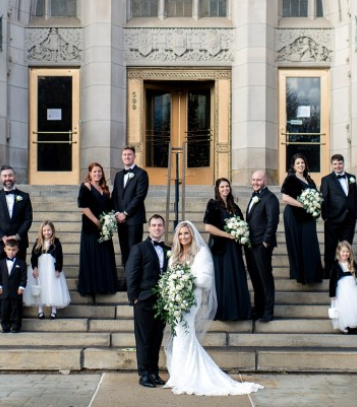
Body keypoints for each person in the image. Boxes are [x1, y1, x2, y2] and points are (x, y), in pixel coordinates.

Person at [162, 220, 262, 396]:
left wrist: (185, 279)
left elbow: (206, 280)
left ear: (191, 235)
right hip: (177, 299)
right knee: (179, 335)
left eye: (186, 233)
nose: (183, 236)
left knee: (185, 333)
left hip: (191, 300)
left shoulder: (201, 253)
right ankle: (178, 375)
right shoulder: (175, 255)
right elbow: (169, 276)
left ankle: (187, 376)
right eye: (180, 234)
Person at [125, 214, 167, 389]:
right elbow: (131, 273)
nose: (157, 228)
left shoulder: (167, 249)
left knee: (156, 338)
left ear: (164, 228)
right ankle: (143, 374)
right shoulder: (139, 248)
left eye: (160, 225)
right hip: (143, 300)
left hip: (162, 301)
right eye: (154, 225)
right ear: (149, 228)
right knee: (144, 339)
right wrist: (134, 298)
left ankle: (154, 372)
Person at [202, 178, 252, 321]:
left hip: (234, 248)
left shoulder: (234, 206)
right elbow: (208, 227)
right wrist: (228, 235)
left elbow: (243, 224)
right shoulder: (213, 205)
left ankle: (238, 311)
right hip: (220, 247)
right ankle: (224, 312)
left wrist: (241, 233)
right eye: (222, 187)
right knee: (223, 278)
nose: (225, 189)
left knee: (235, 276)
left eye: (227, 186)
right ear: (218, 189)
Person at [0, 166, 32, 317]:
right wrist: (3, 237)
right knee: (0, 277)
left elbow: (28, 219)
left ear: (15, 177)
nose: (8, 178)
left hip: (19, 244)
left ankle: (16, 310)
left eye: (10, 175)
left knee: (18, 276)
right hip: (0, 245)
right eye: (5, 176)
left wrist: (17, 236)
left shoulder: (24, 197)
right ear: (1, 178)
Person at [281, 153, 323, 285]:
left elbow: (316, 197)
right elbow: (285, 198)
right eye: (298, 163)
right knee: (298, 243)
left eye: (302, 163)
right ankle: (300, 274)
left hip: (308, 216)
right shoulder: (291, 179)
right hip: (294, 215)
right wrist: (303, 204)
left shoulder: (310, 180)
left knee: (310, 243)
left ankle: (312, 275)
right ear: (293, 166)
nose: (301, 165)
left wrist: (315, 207)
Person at [77, 162, 118, 297]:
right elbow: (83, 206)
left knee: (104, 257)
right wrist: (96, 221)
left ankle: (105, 286)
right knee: (93, 257)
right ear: (89, 173)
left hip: (104, 229)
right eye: (94, 171)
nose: (97, 174)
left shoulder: (105, 189)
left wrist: (109, 221)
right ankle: (92, 287)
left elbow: (110, 207)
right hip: (91, 229)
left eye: (99, 171)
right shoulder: (86, 187)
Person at [244, 169, 279, 322]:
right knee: (255, 279)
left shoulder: (270, 198)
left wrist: (266, 240)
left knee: (265, 279)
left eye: (258, 180)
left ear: (265, 181)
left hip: (262, 245)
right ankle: (258, 309)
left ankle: (268, 311)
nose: (255, 183)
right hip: (251, 245)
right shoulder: (254, 196)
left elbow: (273, 221)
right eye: (253, 179)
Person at [320, 153, 357, 270]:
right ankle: (328, 272)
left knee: (346, 247)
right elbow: (324, 199)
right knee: (330, 247)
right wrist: (326, 217)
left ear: (343, 164)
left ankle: (346, 270)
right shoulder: (326, 179)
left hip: (349, 218)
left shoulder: (352, 178)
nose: (338, 166)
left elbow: (355, 197)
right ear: (332, 165)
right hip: (333, 219)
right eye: (335, 164)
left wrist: (356, 214)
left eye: (340, 163)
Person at [25, 221, 71, 319]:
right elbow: (34, 256)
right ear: (41, 231)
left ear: (52, 230)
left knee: (52, 287)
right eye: (44, 230)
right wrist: (35, 268)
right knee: (41, 288)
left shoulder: (56, 242)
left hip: (52, 268)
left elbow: (59, 256)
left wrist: (58, 269)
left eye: (49, 230)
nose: (47, 232)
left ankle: (54, 310)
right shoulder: (38, 242)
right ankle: (40, 310)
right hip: (41, 268)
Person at [113, 145, 149, 269]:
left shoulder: (141, 174)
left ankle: (135, 280)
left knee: (134, 250)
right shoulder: (118, 175)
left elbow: (139, 197)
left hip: (134, 219)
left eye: (129, 154)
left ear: (134, 156)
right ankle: (128, 280)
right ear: (122, 157)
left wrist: (126, 213)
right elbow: (115, 196)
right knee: (124, 251)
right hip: (120, 221)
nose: (127, 157)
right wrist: (117, 213)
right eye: (125, 154)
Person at [0, 238, 27, 333]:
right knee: (4, 309)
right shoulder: (0, 264)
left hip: (16, 291)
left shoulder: (21, 263)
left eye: (13, 250)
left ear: (17, 250)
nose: (11, 252)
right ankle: (5, 326)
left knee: (16, 309)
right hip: (4, 292)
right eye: (9, 249)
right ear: (4, 249)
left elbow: (23, 277)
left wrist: (21, 287)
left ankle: (16, 326)